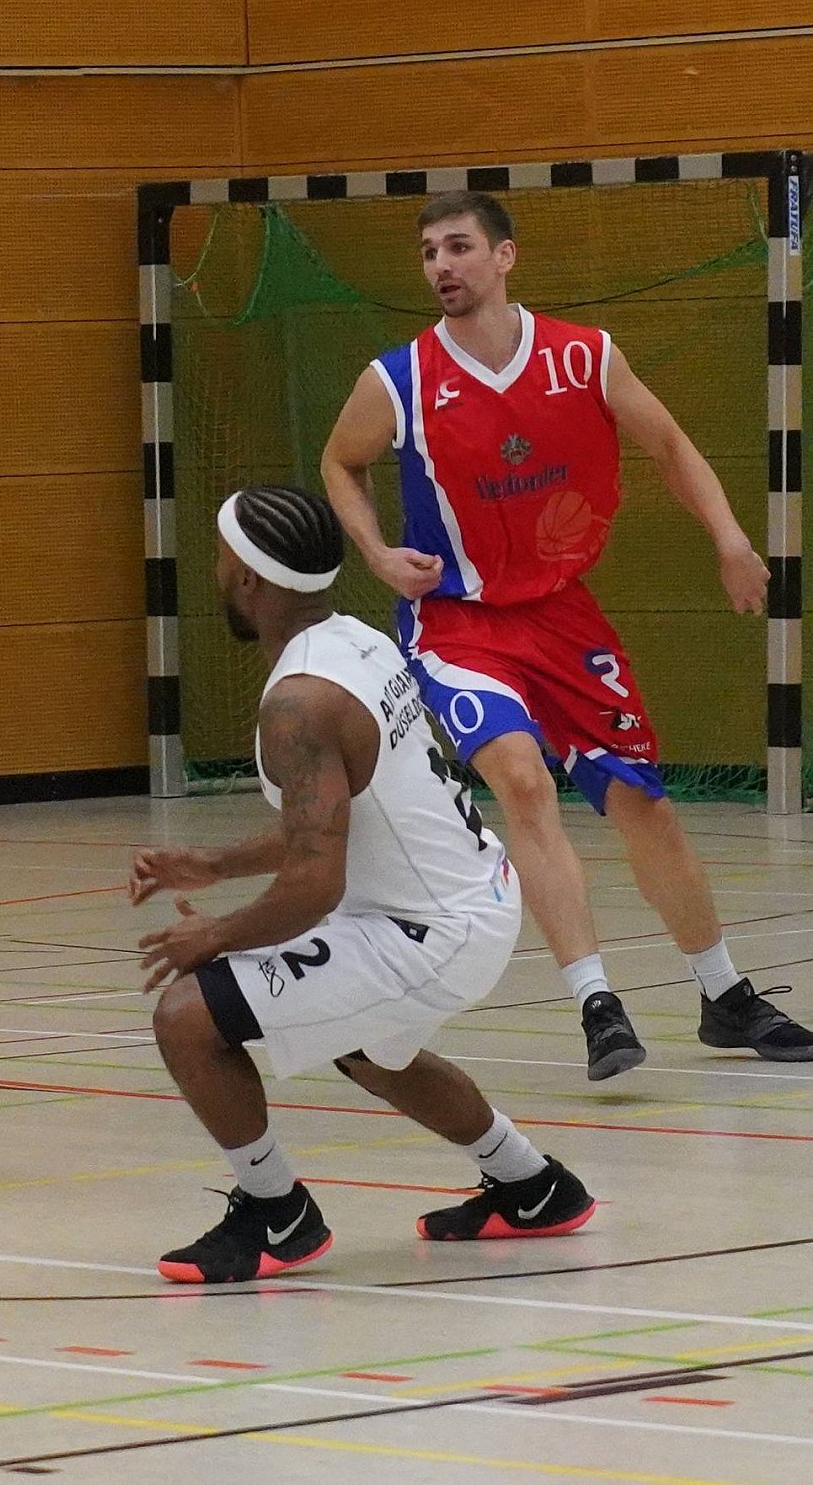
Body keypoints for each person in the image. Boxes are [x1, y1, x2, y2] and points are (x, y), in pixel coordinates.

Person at [320, 190, 813, 1081]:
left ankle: (725, 995)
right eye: (429, 252)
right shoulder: (399, 379)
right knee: (521, 779)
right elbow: (339, 461)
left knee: (644, 806)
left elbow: (669, 445)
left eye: (459, 246)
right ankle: (597, 1003)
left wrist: (731, 539)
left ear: (504, 256)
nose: (441, 266)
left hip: (561, 614)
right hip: (457, 622)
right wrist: (379, 553)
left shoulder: (584, 356)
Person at [130, 484, 595, 1285]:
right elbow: (343, 819)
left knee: (188, 1018)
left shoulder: (298, 703)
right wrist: (217, 865)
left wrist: (214, 933)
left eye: (220, 559)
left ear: (247, 578)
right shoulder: (357, 642)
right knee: (372, 1048)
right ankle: (534, 1185)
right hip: (474, 894)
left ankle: (278, 1214)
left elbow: (316, 881)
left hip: (431, 931)